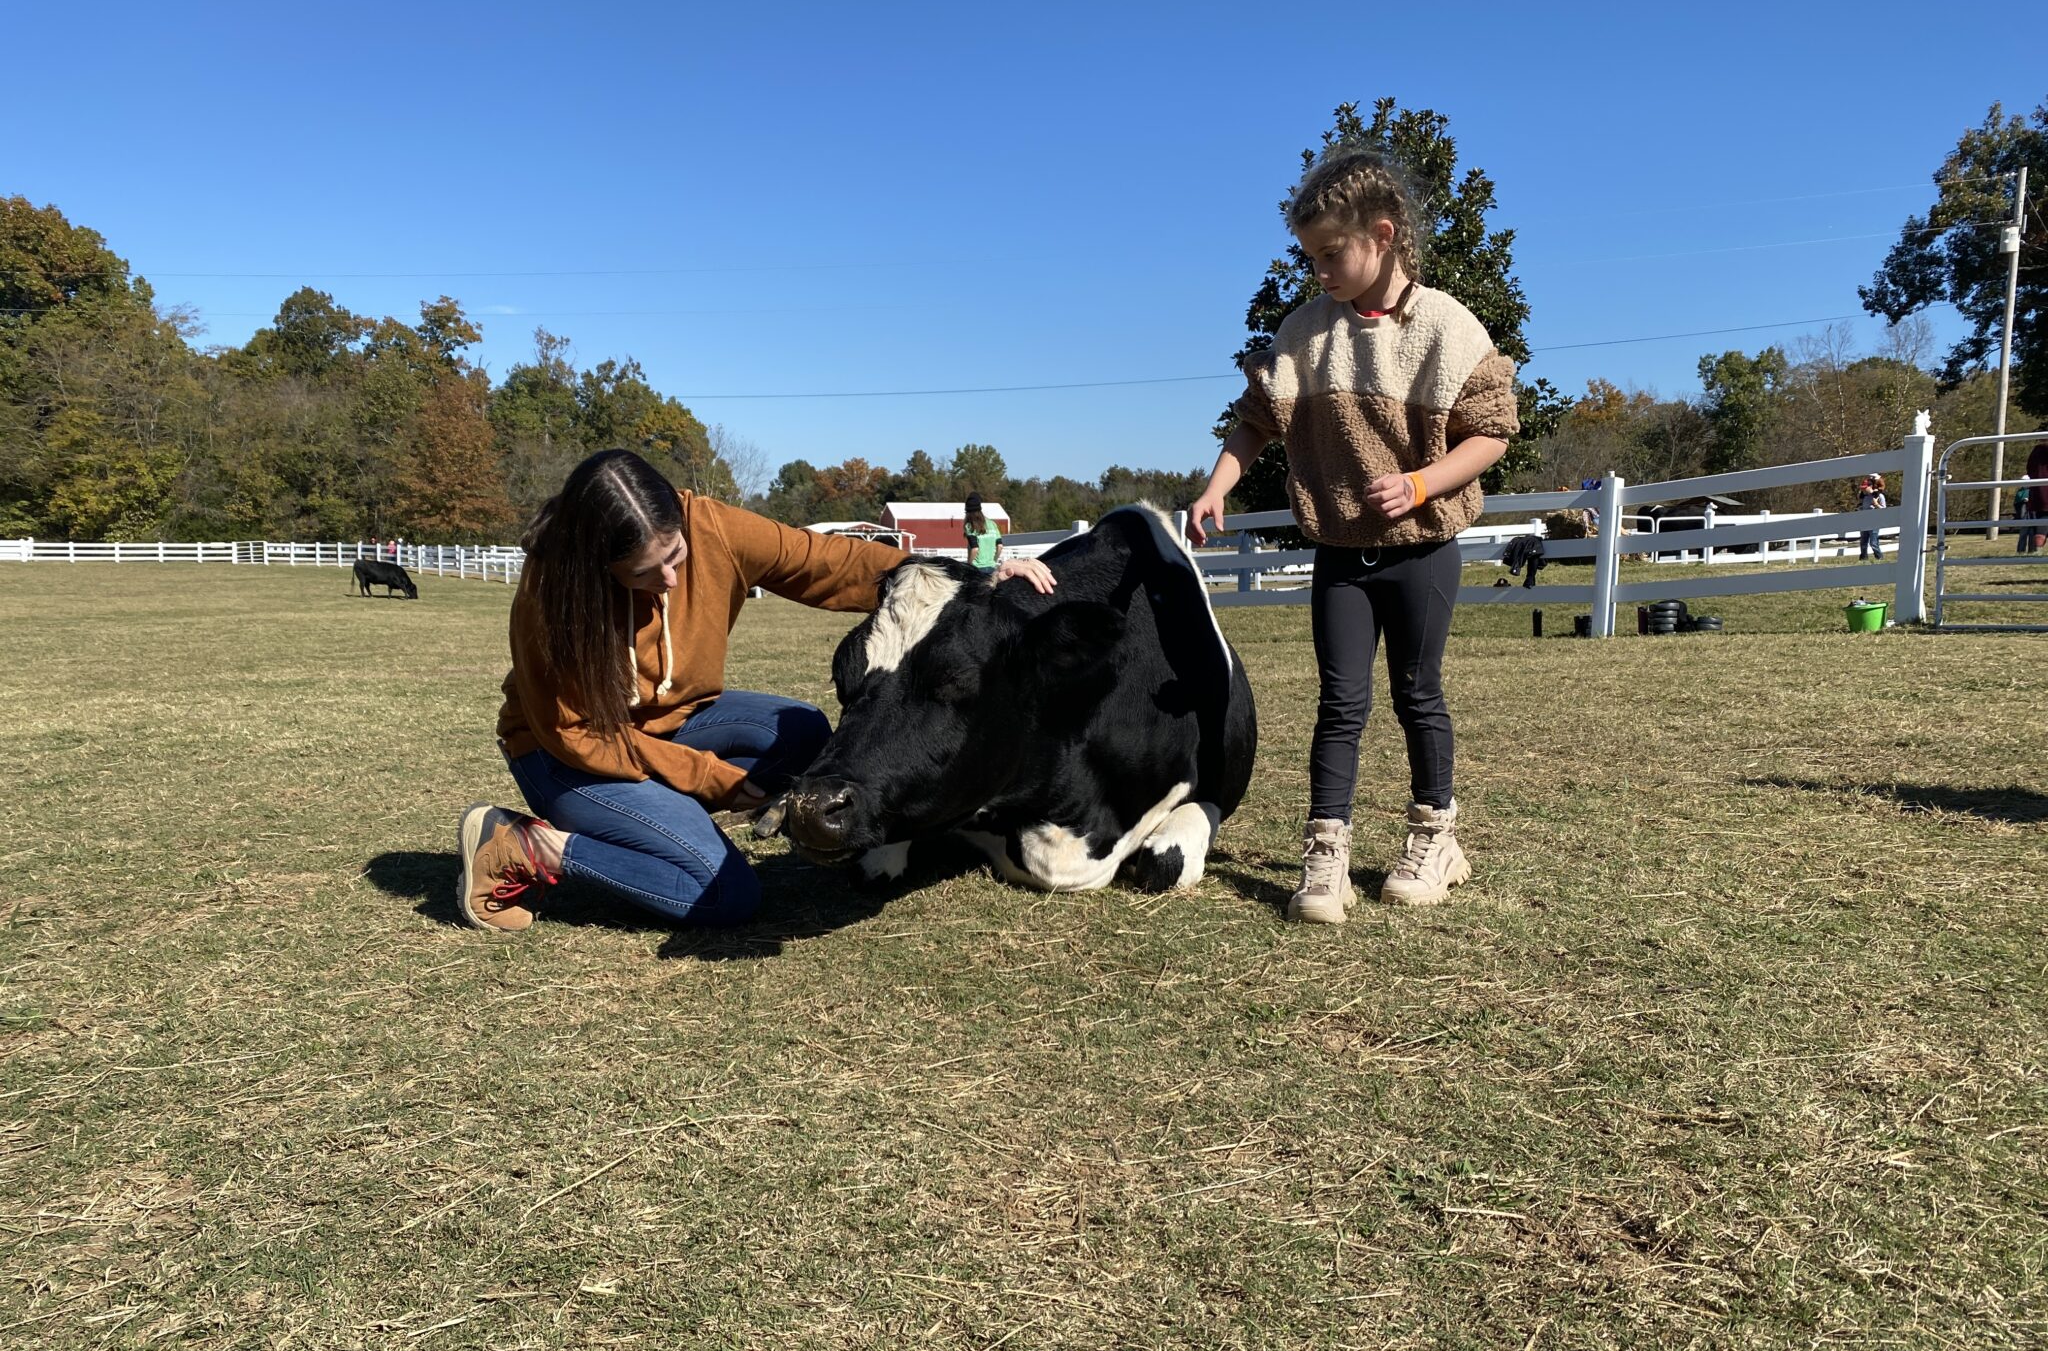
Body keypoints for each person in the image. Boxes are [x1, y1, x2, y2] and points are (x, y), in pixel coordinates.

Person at [457, 448, 1051, 932]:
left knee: (804, 733)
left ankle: (663, 824)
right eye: (644, 573)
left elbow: (822, 560)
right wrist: (717, 781)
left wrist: (972, 582)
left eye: (675, 555)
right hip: (567, 756)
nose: (669, 580)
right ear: (597, 565)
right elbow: (579, 737)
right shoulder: (551, 596)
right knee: (724, 896)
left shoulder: (712, 526)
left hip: (673, 720)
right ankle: (525, 847)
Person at [1186, 147, 1518, 922]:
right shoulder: (1303, 334)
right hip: (1340, 555)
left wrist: (1419, 483)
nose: (1320, 272)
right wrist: (1215, 487)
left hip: (1423, 553)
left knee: (1417, 693)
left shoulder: (1447, 328)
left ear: (1383, 233)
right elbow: (1254, 423)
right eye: (1310, 258)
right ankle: (1326, 854)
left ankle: (1436, 836)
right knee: (1340, 702)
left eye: (1331, 254)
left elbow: (1491, 435)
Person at [962, 492, 1003, 571]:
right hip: (991, 567)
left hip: (977, 568)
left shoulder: (970, 526)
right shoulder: (993, 524)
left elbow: (975, 549)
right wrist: (994, 561)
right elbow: (1000, 546)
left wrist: (969, 564)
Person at [2021, 441, 2048, 556]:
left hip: (2039, 494)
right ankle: (2037, 551)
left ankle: (2037, 551)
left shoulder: (2036, 452)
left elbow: (2029, 470)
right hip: (2042, 493)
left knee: (2041, 522)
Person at [1856, 474, 1887, 561]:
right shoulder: (1865, 497)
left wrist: (1876, 504)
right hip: (1864, 520)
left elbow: (1884, 509)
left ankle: (1879, 556)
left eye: (1865, 488)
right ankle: (1863, 558)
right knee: (1863, 541)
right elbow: (1864, 507)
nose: (1863, 490)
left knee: (1873, 542)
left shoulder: (1879, 496)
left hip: (1875, 521)